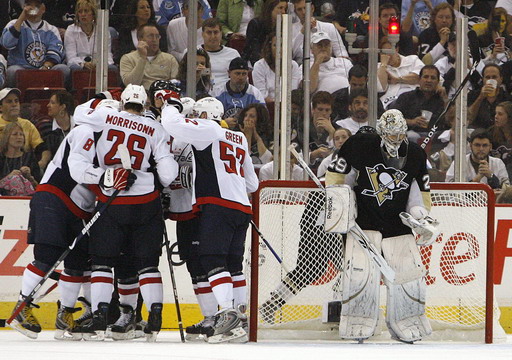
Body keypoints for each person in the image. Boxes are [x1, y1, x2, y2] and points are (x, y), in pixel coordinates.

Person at [71, 84, 178, 341]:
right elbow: (167, 174)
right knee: (147, 264)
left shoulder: (106, 116)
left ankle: (100, 314)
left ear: (122, 103)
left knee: (102, 262)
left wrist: (107, 174)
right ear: (145, 105)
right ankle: (154, 314)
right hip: (146, 203)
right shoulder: (155, 127)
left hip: (112, 200)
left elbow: (78, 114)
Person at [324, 109, 434, 343]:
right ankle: (357, 318)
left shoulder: (415, 154)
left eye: (399, 135)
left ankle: (408, 318)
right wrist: (342, 205)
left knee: (409, 275)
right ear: (381, 133)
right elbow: (339, 178)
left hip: (397, 224)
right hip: (364, 222)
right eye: (390, 135)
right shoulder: (360, 145)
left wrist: (420, 218)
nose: (395, 140)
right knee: (359, 275)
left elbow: (418, 194)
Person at [161, 95, 259, 343]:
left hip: (218, 204)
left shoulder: (208, 128)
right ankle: (240, 318)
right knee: (234, 265)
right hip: (242, 208)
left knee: (212, 259)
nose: (194, 119)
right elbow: (252, 182)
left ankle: (226, 317)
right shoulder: (239, 137)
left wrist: (171, 105)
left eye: (197, 116)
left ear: (205, 116)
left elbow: (172, 124)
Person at [7, 120, 98, 339]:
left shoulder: (108, 140)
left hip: (79, 208)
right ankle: (23, 307)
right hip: (55, 197)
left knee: (79, 261)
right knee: (47, 256)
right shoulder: (87, 132)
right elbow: (79, 169)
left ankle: (65, 313)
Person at [0, 0, 70, 87]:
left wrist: (46, 66)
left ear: (43, 9)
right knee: (12, 71)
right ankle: (15, 98)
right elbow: (6, 44)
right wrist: (22, 17)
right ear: (23, 7)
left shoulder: (51, 29)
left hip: (45, 69)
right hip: (21, 68)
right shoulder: (14, 24)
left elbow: (56, 52)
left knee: (63, 69)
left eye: (36, 5)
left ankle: (56, 99)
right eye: (28, 5)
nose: (32, 8)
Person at [389, 65, 447, 143]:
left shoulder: (441, 99)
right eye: (426, 77)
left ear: (438, 82)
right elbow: (392, 120)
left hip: (436, 140)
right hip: (410, 139)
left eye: (433, 78)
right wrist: (411, 122)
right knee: (411, 136)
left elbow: (451, 121)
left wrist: (445, 99)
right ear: (419, 80)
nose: (429, 80)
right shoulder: (406, 97)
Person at [0, 88, 51, 171]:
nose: (14, 104)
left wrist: (40, 165)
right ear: (1, 107)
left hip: (25, 168)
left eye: (16, 101)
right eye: (9, 101)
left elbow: (43, 149)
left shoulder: (27, 125)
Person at [120, 24, 179, 91]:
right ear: (140, 39)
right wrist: (142, 58)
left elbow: (175, 83)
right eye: (150, 36)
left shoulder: (170, 59)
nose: (154, 40)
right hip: (139, 95)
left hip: (163, 95)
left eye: (157, 36)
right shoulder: (128, 58)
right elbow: (131, 84)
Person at [212, 57, 265, 128]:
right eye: (237, 73)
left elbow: (263, 118)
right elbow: (210, 119)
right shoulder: (217, 92)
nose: (241, 77)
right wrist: (223, 123)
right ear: (229, 73)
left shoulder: (255, 93)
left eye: (244, 74)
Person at [290, 0, 348, 65]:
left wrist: (341, 62)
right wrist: (302, 32)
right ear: (295, 12)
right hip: (302, 66)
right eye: (299, 9)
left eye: (305, 8)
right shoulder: (291, 29)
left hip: (328, 65)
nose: (303, 12)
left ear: (312, 8)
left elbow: (340, 51)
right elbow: (290, 54)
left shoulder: (329, 27)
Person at [64, 0, 116, 71]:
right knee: (75, 68)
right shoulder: (71, 30)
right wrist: (83, 64)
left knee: (112, 69)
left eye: (86, 11)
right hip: (80, 65)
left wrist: (99, 64)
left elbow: (107, 56)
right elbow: (70, 58)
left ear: (93, 14)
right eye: (80, 12)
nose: (83, 14)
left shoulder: (103, 30)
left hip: (99, 65)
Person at [252, 33, 302, 103]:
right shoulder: (259, 66)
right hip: (268, 106)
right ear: (269, 47)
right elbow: (262, 96)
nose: (279, 49)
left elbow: (292, 92)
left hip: (288, 105)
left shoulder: (293, 65)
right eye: (275, 45)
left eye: (282, 45)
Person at [377, 37, 424, 109]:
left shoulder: (413, 60)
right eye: (384, 52)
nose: (388, 55)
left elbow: (420, 77)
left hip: (416, 98)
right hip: (392, 102)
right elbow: (379, 88)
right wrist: (383, 65)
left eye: (390, 51)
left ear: (397, 49)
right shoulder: (379, 68)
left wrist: (397, 79)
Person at [0, 122, 40, 196]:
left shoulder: (30, 157)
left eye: (21, 134)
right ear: (6, 137)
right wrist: (9, 177)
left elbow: (39, 186)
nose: (19, 137)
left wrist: (30, 177)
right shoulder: (1, 158)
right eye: (15, 134)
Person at [467, 63, 512, 129]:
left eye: (494, 77)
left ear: (501, 79)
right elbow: (469, 119)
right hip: (477, 133)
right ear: (483, 80)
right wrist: (480, 97)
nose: (491, 80)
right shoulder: (473, 95)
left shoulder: (508, 98)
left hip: (500, 133)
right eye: (487, 77)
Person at [243, 0, 287, 66]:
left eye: (285, 9)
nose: (283, 12)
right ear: (270, 9)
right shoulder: (255, 24)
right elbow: (253, 49)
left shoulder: (284, 25)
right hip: (257, 62)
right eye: (280, 8)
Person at [201, 17, 240, 87]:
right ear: (202, 34)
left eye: (216, 32)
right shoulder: (192, 52)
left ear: (221, 34)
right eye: (209, 33)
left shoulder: (233, 54)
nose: (213, 36)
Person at [40, 91, 76, 161]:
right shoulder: (46, 128)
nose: (48, 105)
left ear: (63, 106)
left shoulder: (79, 126)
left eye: (52, 103)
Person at [489, 101, 512, 180]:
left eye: (500, 114)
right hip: (496, 171)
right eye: (496, 113)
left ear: (509, 117)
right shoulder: (490, 133)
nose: (496, 116)